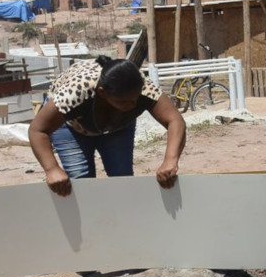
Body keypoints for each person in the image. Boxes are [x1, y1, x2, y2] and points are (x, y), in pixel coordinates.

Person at [29, 56, 187, 196]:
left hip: (117, 128)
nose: (132, 106)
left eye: (135, 99)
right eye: (123, 101)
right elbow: (37, 130)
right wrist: (52, 170)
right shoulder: (75, 93)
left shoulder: (143, 88)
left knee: (121, 178)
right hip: (73, 127)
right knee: (79, 181)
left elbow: (175, 121)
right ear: (102, 93)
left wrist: (170, 160)